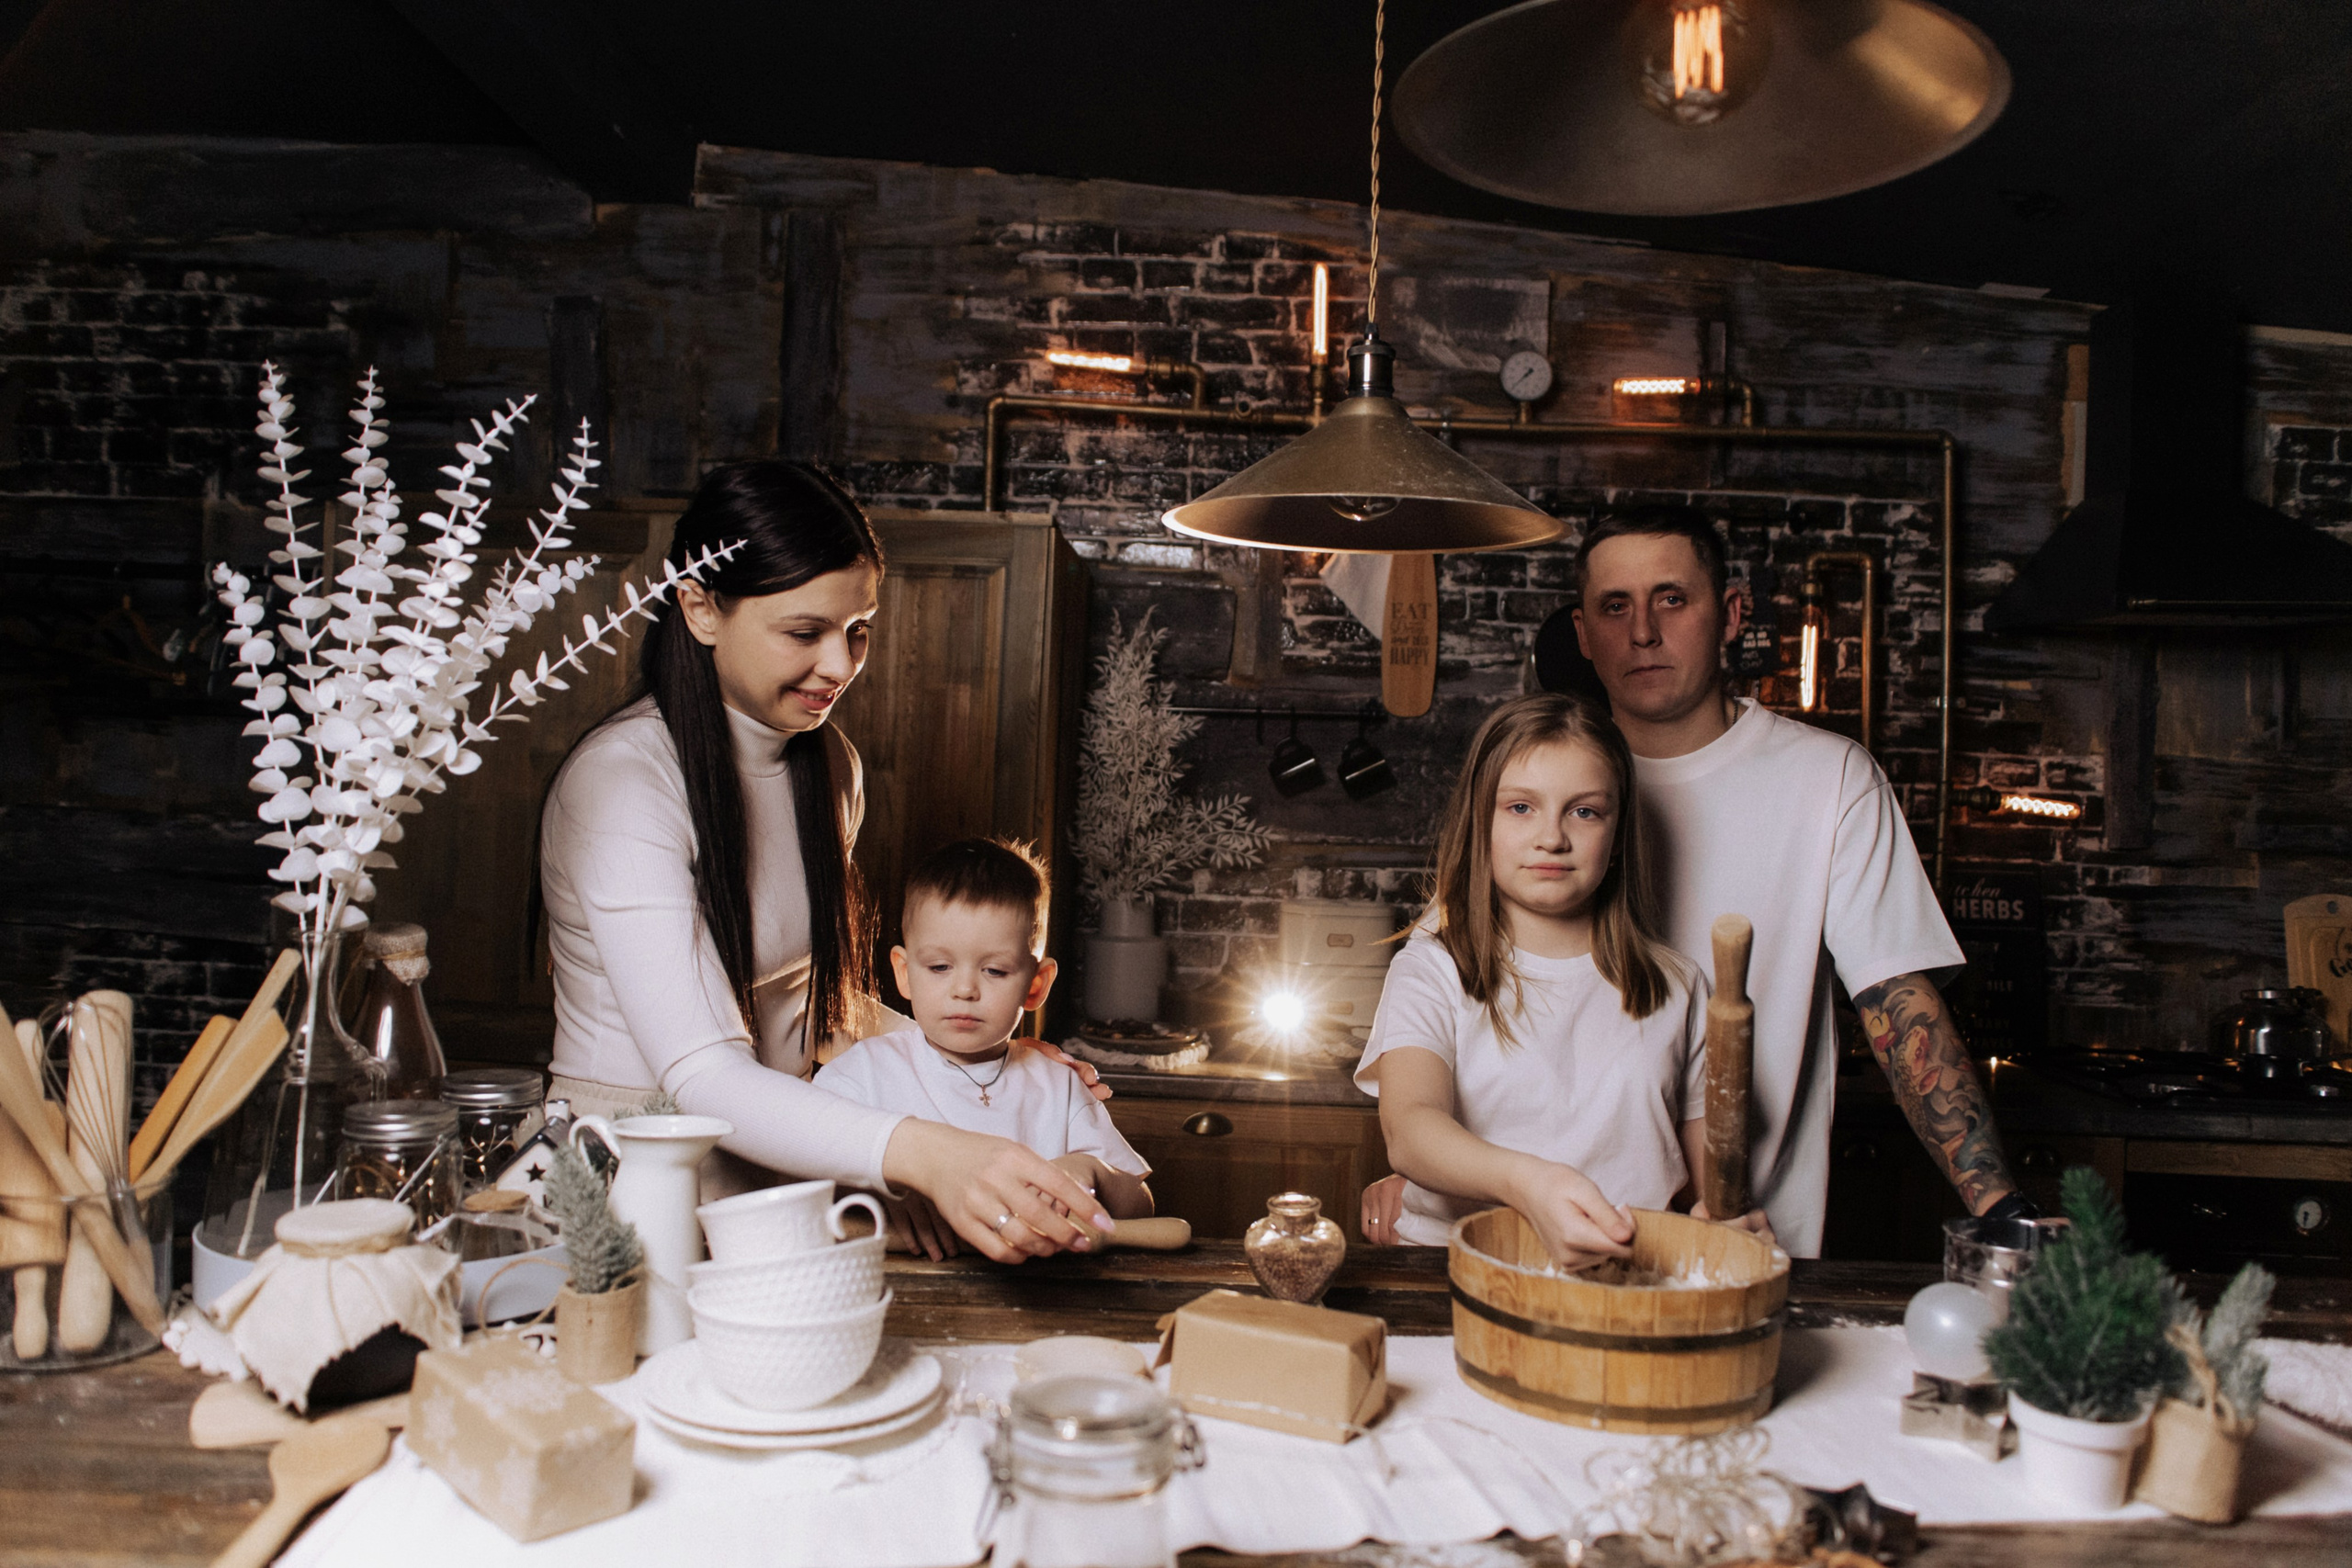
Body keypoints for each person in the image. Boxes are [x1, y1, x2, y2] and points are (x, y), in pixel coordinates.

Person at [1364, 507, 2026, 1258]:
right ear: (1584, 633)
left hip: (1731, 1241)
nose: (1643, 631)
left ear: (1732, 614)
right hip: (1506, 1246)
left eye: (1671, 598)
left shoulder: (1827, 780)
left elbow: (1899, 1003)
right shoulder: (1551, 779)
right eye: (1616, 606)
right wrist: (1430, 1182)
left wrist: (2000, 1204)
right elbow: (1444, 1016)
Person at [539, 460, 1113, 1263]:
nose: (842, 665)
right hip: (632, 1185)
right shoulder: (623, 786)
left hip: (781, 1180)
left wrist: (985, 1049)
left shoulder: (829, 765)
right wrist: (929, 1154)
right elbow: (704, 1079)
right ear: (701, 608)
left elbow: (818, 1011)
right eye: (805, 633)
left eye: (859, 629)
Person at [1357, 693, 1769, 1264]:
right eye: (1521, 807)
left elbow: (1714, 1188)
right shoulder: (1433, 966)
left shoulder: (1681, 986)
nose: (1552, 837)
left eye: (1584, 811)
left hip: (1629, 1274)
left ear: (1617, 831)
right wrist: (1531, 1186)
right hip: (1457, 1266)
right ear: (1482, 822)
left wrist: (1728, 1227)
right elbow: (1411, 1128)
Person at [821, 838, 1154, 1255]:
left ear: (1036, 985)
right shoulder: (861, 1074)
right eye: (939, 967)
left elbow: (1141, 1211)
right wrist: (883, 1190)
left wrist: (1092, 1171)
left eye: (995, 971)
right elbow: (801, 1181)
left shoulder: (1057, 1085)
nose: (964, 989)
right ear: (904, 973)